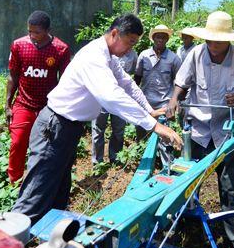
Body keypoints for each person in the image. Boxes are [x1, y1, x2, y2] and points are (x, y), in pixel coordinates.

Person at [12, 14, 182, 225]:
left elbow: (127, 84)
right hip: (54, 127)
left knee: (59, 191)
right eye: (129, 42)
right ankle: (10, 244)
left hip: (68, 128)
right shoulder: (94, 57)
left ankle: (49, 242)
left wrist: (148, 110)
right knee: (35, 195)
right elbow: (111, 95)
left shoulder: (109, 57)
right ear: (114, 34)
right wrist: (153, 125)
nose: (131, 49)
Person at [167, 11, 234, 248]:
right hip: (198, 127)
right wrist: (174, 100)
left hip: (228, 129)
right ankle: (181, 223)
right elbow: (181, 83)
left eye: (217, 41)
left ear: (228, 40)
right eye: (209, 40)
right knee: (186, 178)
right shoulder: (195, 54)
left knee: (229, 185)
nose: (212, 46)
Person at [6, 11, 70, 184]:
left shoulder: (60, 49)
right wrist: (8, 105)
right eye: (30, 31)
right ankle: (14, 178)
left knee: (45, 147)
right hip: (24, 104)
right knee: (18, 142)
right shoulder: (19, 45)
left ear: (48, 30)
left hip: (48, 107)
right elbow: (13, 76)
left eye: (37, 32)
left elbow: (65, 81)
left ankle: (40, 180)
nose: (33, 36)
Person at [134, 24, 182, 164]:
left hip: (164, 103)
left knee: (165, 136)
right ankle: (144, 162)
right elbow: (137, 77)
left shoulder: (174, 58)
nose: (160, 39)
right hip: (145, 102)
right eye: (158, 36)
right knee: (142, 133)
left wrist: (175, 103)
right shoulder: (144, 55)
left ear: (167, 39)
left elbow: (178, 82)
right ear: (153, 38)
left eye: (163, 37)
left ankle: (166, 165)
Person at [91, 49, 138, 165]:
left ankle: (115, 158)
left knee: (118, 129)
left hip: (120, 99)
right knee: (98, 129)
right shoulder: (103, 52)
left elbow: (133, 75)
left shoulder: (133, 54)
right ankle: (97, 162)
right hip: (101, 97)